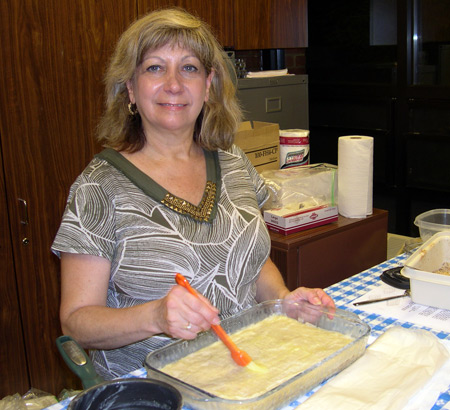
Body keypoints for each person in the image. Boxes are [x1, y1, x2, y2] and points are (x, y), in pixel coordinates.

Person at [52, 7, 335, 380]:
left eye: (189, 68)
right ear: (131, 89)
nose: (173, 84)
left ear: (208, 84)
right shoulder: (98, 187)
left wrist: (283, 301)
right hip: (153, 388)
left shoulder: (232, 161)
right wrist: (155, 316)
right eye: (154, 67)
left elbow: (251, 262)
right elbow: (76, 323)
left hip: (249, 368)